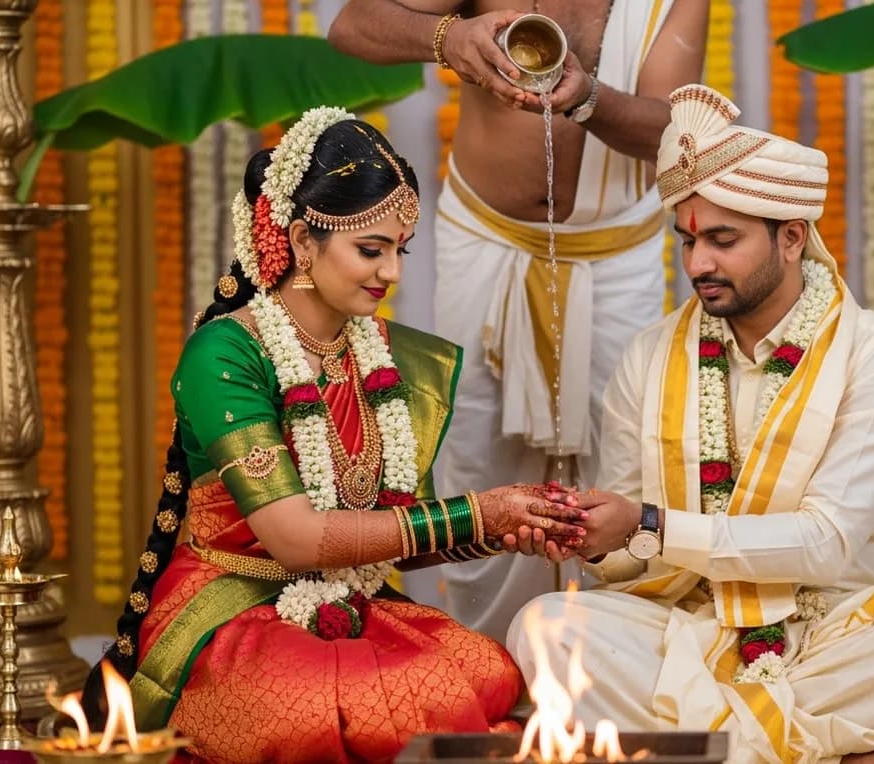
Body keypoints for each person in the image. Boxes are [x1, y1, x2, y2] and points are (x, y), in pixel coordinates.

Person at [506, 85, 874, 764]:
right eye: (688, 241)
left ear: (792, 237)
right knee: (545, 628)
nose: (697, 264)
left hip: (832, 627)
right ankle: (844, 753)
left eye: (722, 240)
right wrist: (592, 539)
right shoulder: (651, 355)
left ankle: (706, 748)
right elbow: (623, 562)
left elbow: (825, 544)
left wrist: (649, 524)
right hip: (686, 624)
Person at [79, 109, 586, 764]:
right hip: (231, 600)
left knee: (486, 673)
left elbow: (393, 536)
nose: (392, 274)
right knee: (313, 716)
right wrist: (472, 515)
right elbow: (296, 540)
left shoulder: (387, 356)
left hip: (353, 594)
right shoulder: (227, 354)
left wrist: (499, 528)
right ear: (301, 239)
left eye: (400, 250)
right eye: (370, 250)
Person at [328, 0, 709, 639]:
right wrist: (448, 38)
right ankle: (488, 669)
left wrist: (586, 97)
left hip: (616, 252)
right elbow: (351, 26)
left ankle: (606, 668)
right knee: (476, 460)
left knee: (623, 463)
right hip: (487, 239)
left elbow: (673, 131)